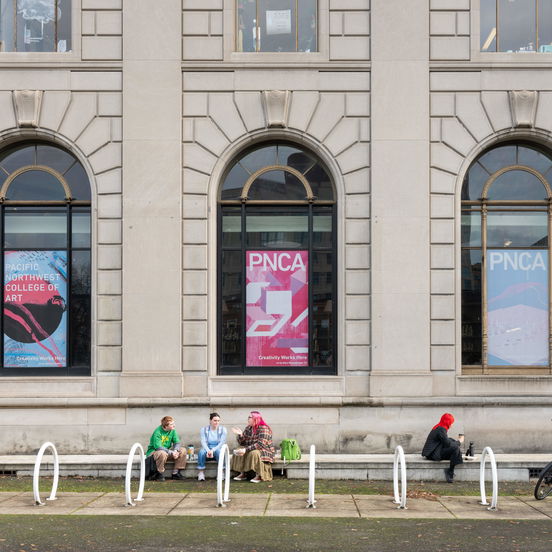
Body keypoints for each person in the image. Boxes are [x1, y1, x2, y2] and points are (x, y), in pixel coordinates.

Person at [231, 410, 274, 483]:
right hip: (251, 448)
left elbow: (260, 444)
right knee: (239, 450)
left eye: (250, 417)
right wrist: (240, 435)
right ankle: (243, 473)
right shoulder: (248, 428)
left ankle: (259, 475)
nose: (248, 419)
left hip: (264, 450)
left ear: (255, 418)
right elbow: (242, 443)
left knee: (254, 453)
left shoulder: (264, 428)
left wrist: (246, 449)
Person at [422, 412, 464, 483]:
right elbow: (447, 444)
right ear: (447, 423)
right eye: (451, 423)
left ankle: (455, 456)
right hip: (433, 454)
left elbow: (446, 442)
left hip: (433, 451)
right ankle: (450, 472)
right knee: (456, 448)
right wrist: (459, 442)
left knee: (452, 442)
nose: (451, 425)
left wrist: (455, 442)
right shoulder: (441, 429)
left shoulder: (439, 426)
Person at [146, 415, 187, 481]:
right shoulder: (157, 432)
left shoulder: (173, 431)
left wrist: (176, 451)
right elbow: (158, 447)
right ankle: (159, 473)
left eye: (174, 423)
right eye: (172, 424)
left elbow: (177, 443)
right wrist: (171, 452)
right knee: (162, 453)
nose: (174, 425)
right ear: (165, 426)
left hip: (167, 452)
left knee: (183, 450)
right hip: (154, 452)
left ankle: (175, 473)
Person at [197, 412, 227, 481]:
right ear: (210, 421)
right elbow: (203, 441)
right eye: (215, 420)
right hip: (207, 447)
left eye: (218, 421)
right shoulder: (203, 430)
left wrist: (212, 450)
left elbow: (222, 443)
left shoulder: (223, 430)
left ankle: (221, 472)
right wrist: (208, 450)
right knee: (201, 452)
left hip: (217, 447)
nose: (217, 422)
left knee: (220, 452)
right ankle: (201, 473)